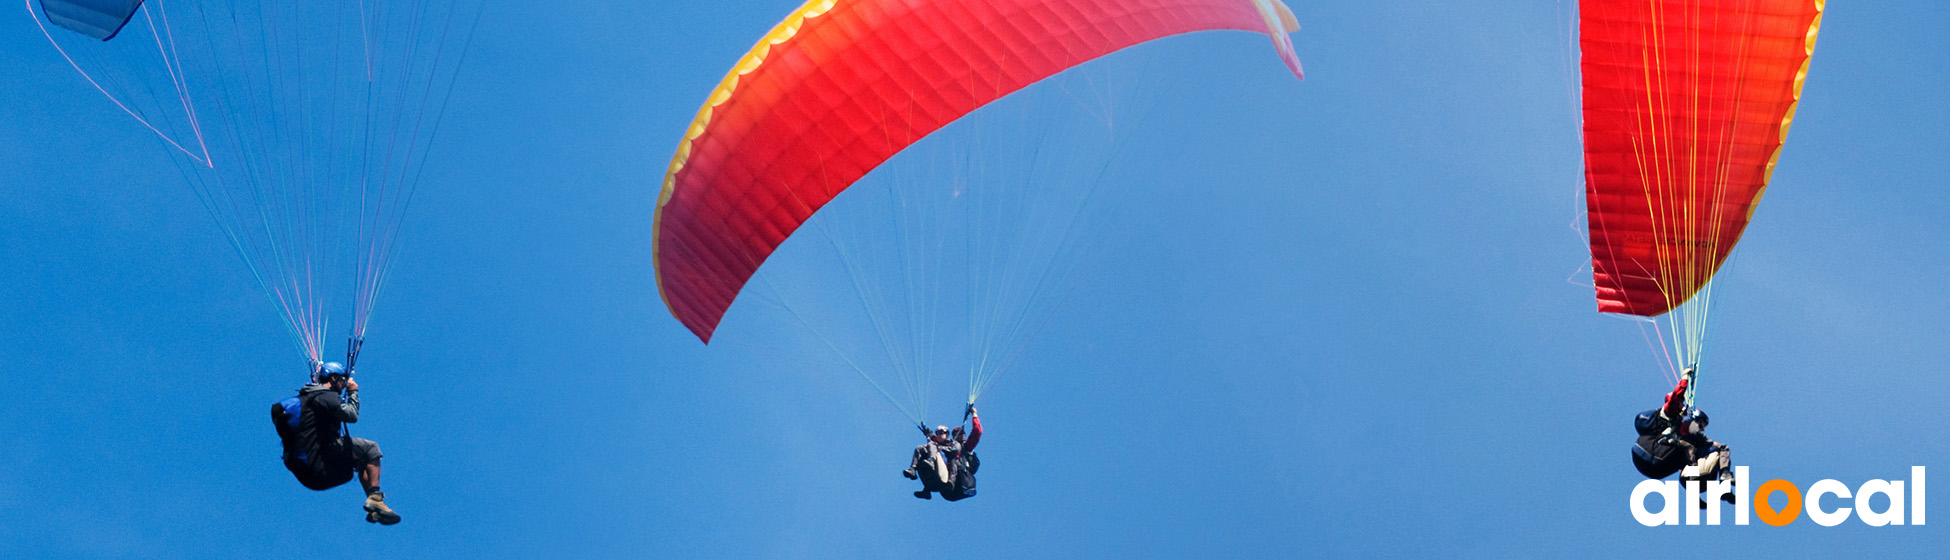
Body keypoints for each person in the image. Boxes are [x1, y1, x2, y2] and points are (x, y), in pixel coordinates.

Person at [272, 362, 401, 524]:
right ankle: (375, 496)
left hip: (308, 474)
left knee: (359, 459)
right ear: (333, 378)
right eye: (342, 379)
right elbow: (351, 415)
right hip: (321, 461)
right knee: (370, 448)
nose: (345, 383)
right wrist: (353, 392)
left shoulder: (309, 397)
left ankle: (375, 506)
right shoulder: (325, 396)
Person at [1630, 367, 1734, 506]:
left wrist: (1724, 476)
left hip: (1657, 468)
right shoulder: (1671, 417)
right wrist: (1685, 378)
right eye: (1701, 424)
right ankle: (1694, 491)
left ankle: (1720, 488)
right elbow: (1675, 398)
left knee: (1711, 451)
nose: (1702, 429)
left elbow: (1718, 449)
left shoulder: (1694, 439)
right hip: (1652, 453)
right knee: (1689, 448)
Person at [902, 405, 983, 501]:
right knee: (924, 455)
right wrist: (931, 435)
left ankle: (946, 482)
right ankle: (925, 487)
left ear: (964, 435)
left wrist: (974, 414)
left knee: (952, 458)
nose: (959, 435)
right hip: (945, 490)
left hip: (957, 485)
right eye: (956, 434)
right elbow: (939, 443)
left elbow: (977, 432)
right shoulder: (949, 445)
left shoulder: (965, 448)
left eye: (961, 433)